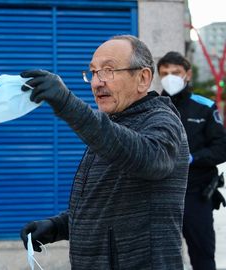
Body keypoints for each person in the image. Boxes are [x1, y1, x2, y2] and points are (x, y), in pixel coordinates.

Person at [19, 35, 189, 269]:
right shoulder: (114, 125)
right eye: (93, 72)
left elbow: (151, 159)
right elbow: (106, 205)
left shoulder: (162, 120)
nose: (97, 82)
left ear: (143, 78)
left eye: (108, 70)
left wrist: (68, 104)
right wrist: (57, 226)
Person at [157, 51, 226, 270]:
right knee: (159, 259)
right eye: (165, 73)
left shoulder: (204, 107)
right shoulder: (154, 106)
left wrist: (192, 158)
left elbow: (221, 148)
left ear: (187, 74)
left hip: (196, 195)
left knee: (203, 256)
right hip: (160, 196)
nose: (170, 77)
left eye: (175, 72)